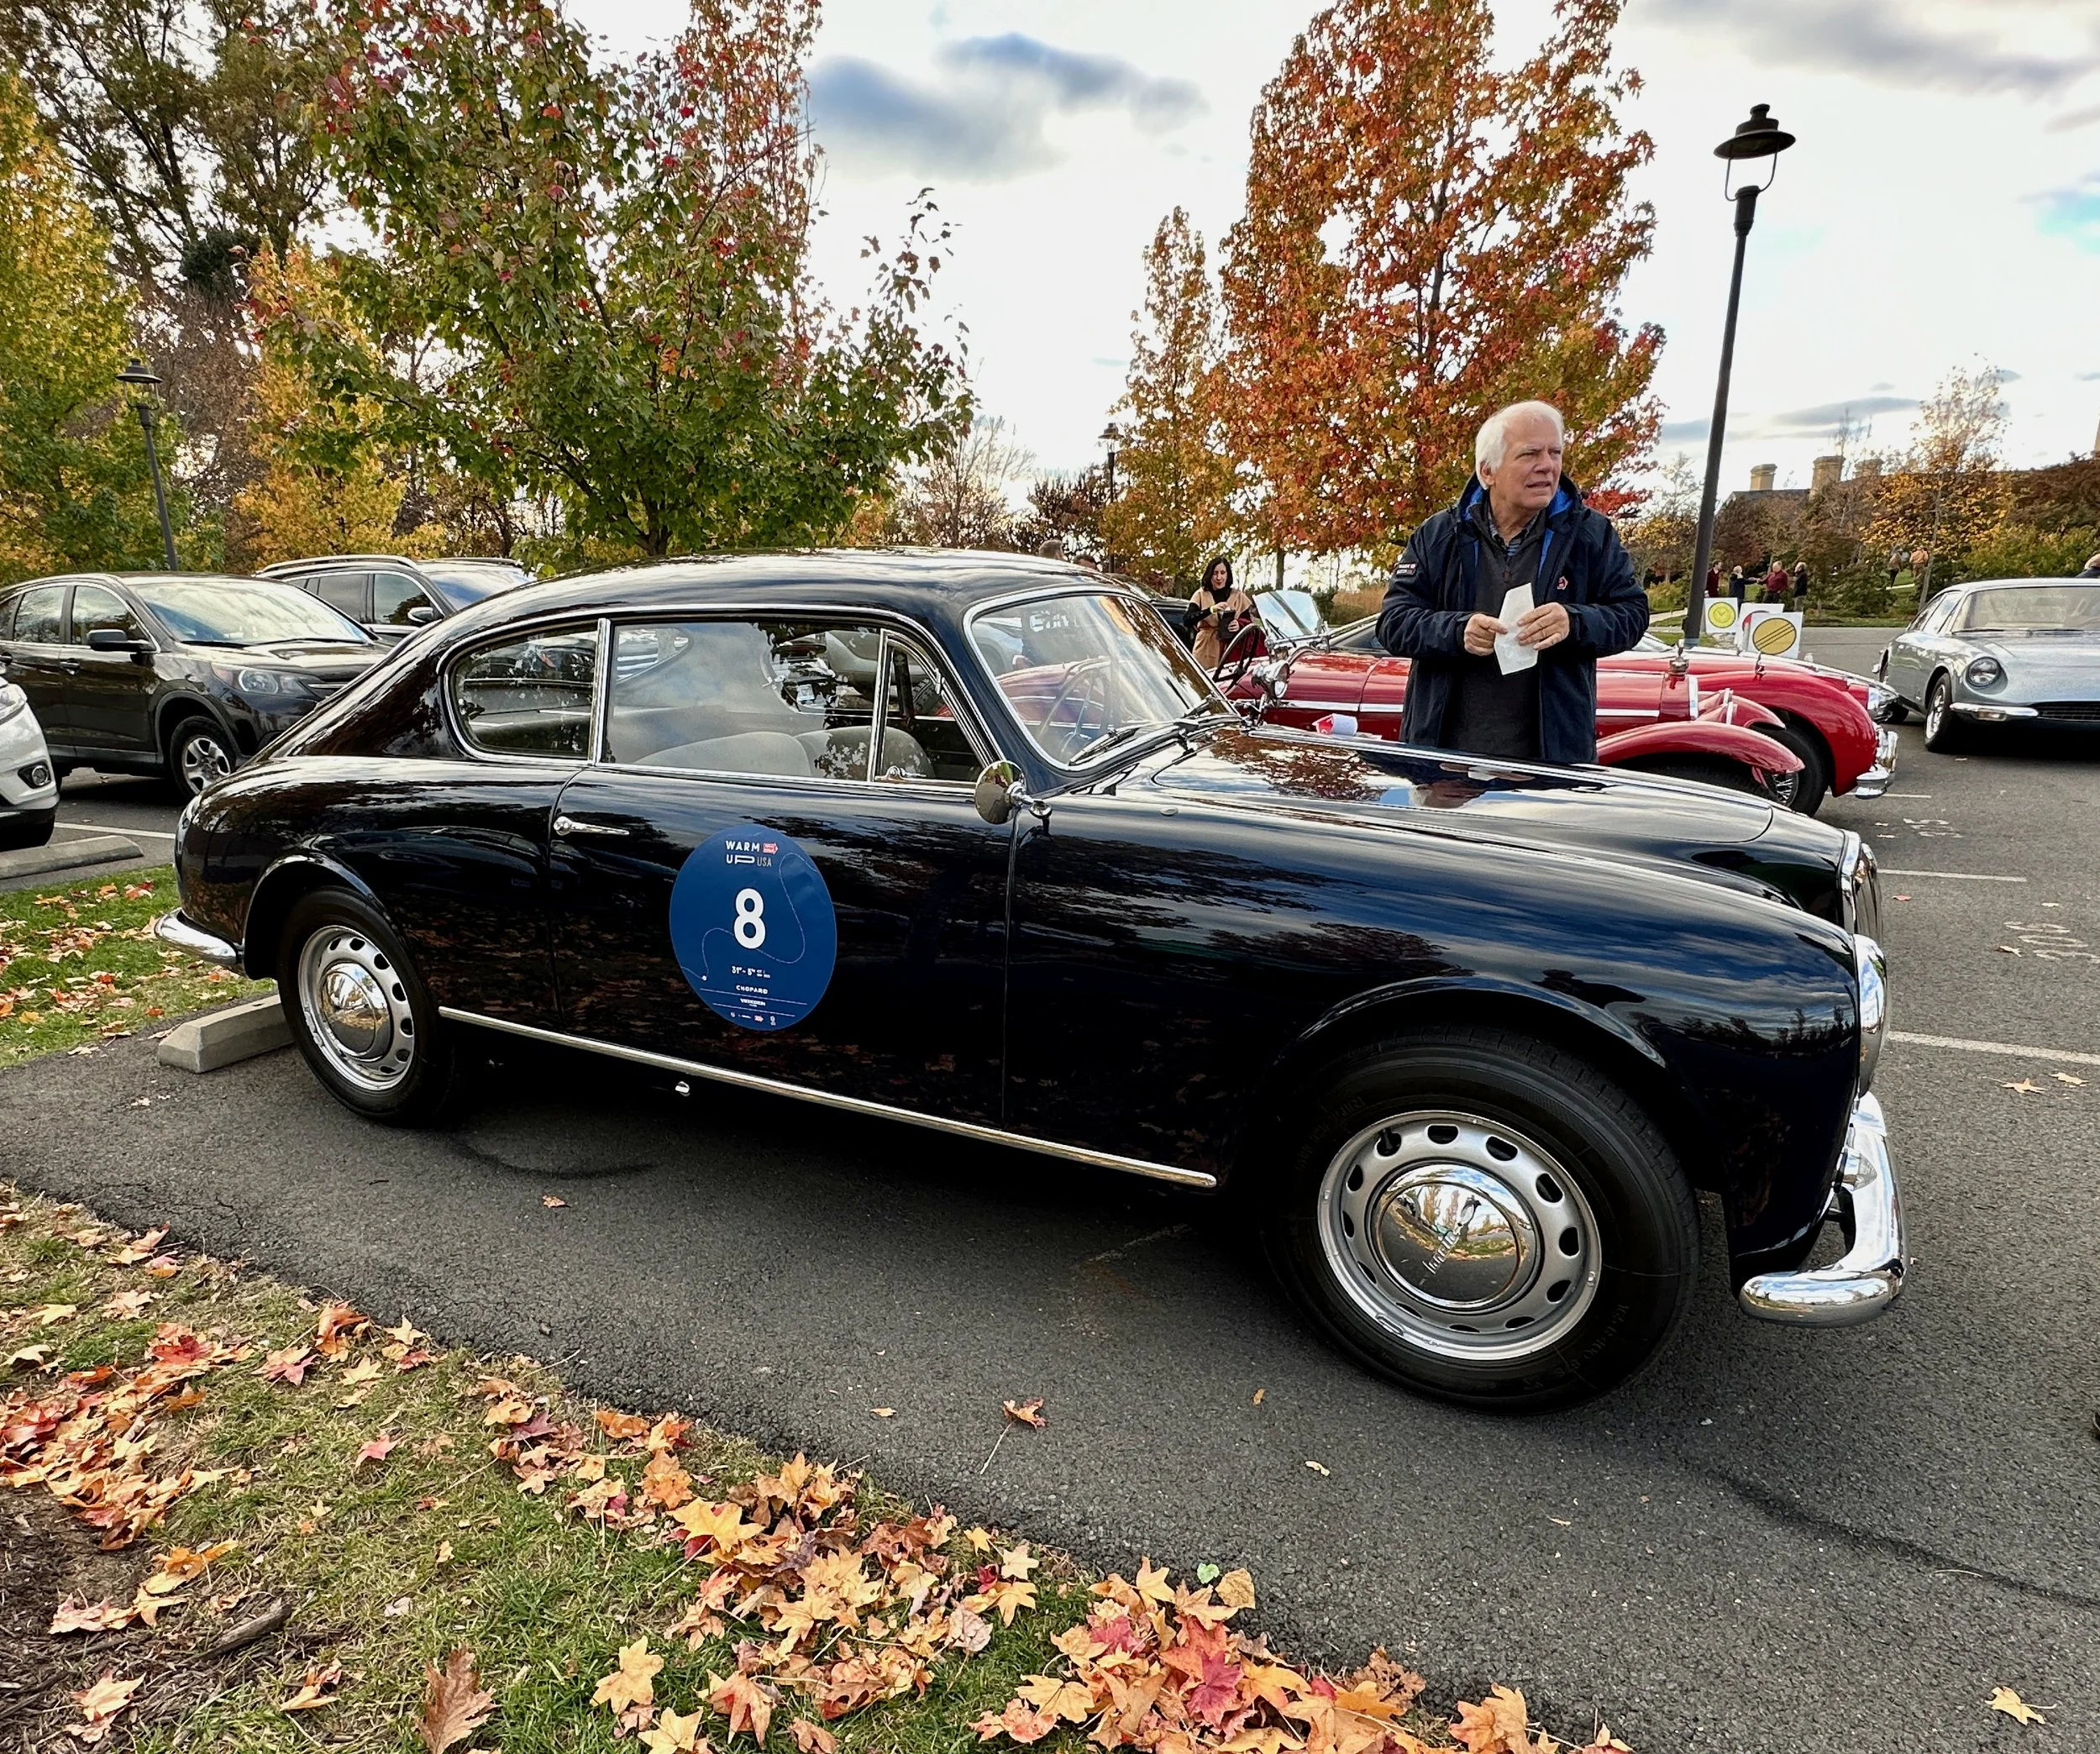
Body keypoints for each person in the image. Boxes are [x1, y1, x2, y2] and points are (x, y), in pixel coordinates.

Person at [1375, 400, 1648, 764]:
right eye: (1530, 454)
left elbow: (1632, 614)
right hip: (1444, 760)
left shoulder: (1590, 535)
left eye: (1555, 452)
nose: (1548, 466)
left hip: (1552, 766)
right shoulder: (1438, 535)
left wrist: (1574, 622)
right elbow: (1394, 623)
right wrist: (1458, 631)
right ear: (1488, 471)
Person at [1189, 554, 1254, 671]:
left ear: (1227, 575)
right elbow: (1187, 619)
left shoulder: (1237, 596)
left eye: (1223, 573)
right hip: (1205, 648)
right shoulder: (1201, 594)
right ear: (1210, 575)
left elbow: (1250, 624)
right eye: (1215, 573)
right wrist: (1211, 610)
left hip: (1231, 650)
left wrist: (1239, 625)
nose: (1219, 577)